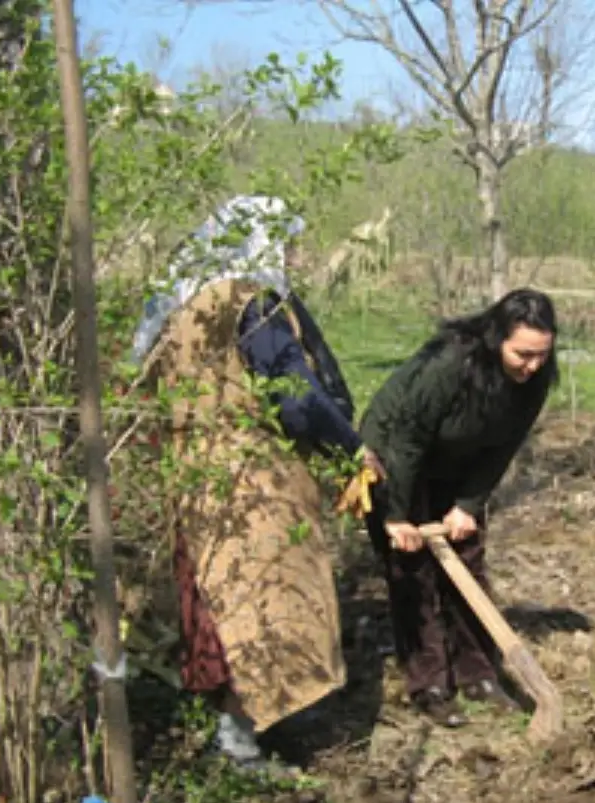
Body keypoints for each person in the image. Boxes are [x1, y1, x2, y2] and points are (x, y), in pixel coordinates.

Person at [131, 194, 382, 767]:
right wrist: (349, 446)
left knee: (218, 600)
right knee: (263, 602)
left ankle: (252, 725)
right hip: (254, 481)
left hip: (196, 478)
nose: (291, 255)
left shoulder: (178, 311)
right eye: (286, 242)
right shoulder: (251, 306)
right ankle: (243, 742)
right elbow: (295, 398)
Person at [359, 288, 559, 728]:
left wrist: (469, 504)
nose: (533, 365)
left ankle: (478, 674)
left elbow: (506, 444)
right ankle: (430, 683)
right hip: (395, 455)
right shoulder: (450, 364)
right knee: (412, 571)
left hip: (459, 459)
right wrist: (396, 514)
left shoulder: (537, 377)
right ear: (496, 338)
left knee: (468, 563)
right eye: (523, 354)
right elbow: (406, 441)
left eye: (542, 355)